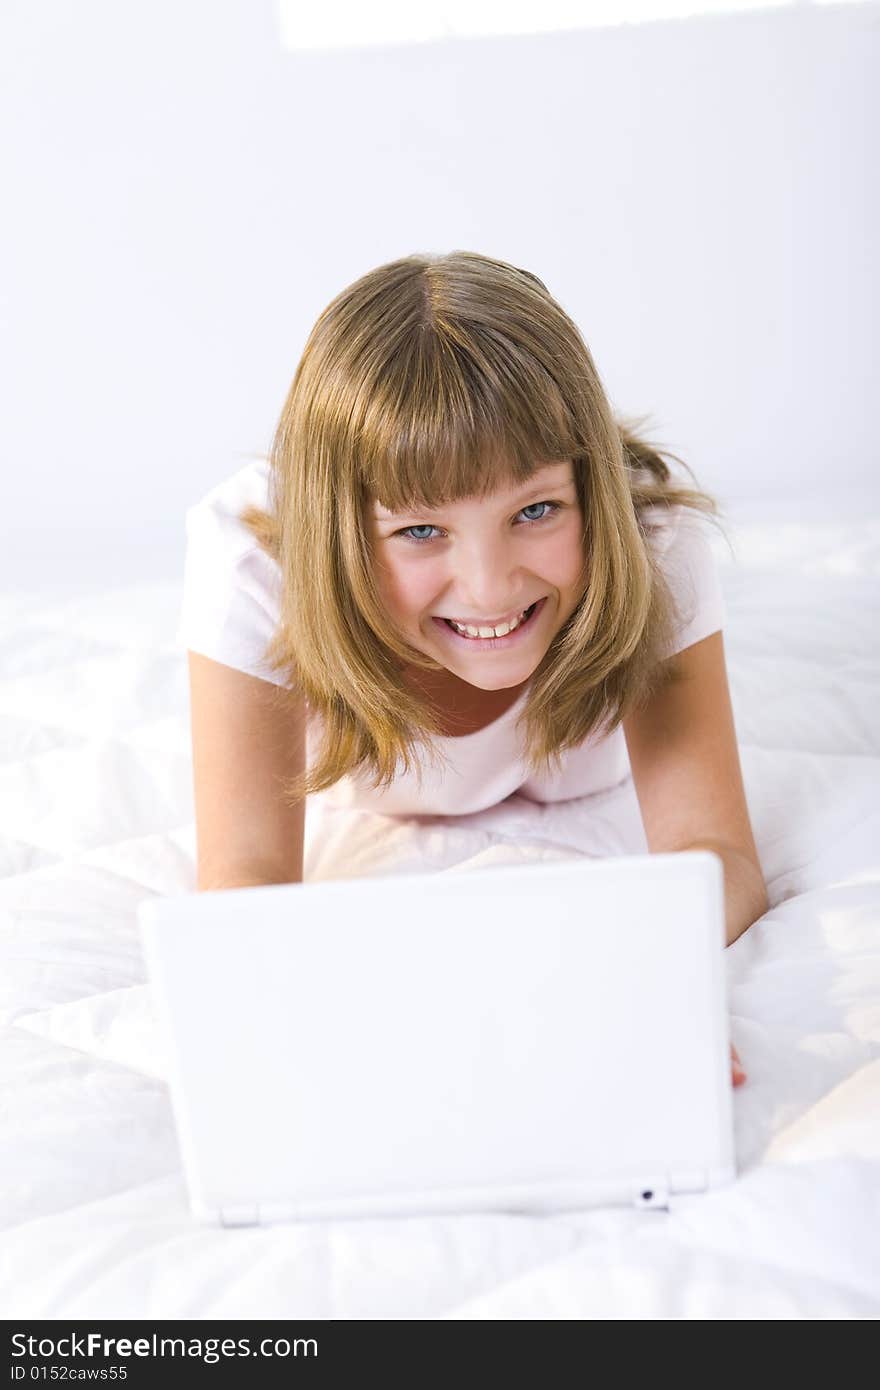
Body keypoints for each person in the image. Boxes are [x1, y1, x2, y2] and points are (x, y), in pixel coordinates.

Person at [178, 250, 768, 1087]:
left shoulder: (649, 543)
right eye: (420, 531)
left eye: (536, 510)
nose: (491, 588)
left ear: (589, 492)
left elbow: (716, 849)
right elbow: (244, 877)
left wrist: (623, 977)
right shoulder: (255, 566)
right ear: (339, 535)